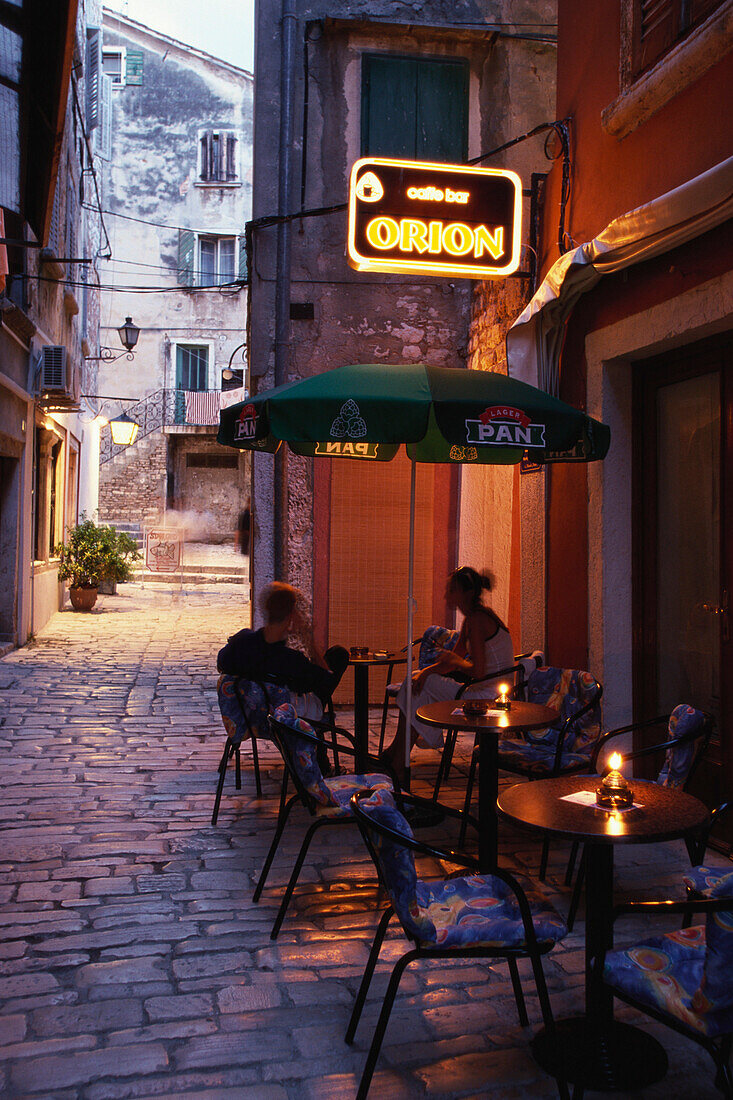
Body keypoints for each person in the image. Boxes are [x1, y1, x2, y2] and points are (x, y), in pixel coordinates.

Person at [380, 566, 514, 780]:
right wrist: (425, 672)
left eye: (451, 590)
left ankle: (396, 758)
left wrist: (454, 662)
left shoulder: (478, 620)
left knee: (417, 686)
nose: (446, 595)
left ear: (467, 593)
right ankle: (395, 755)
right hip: (480, 689)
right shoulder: (472, 619)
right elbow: (455, 658)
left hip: (489, 698)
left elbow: (477, 671)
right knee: (416, 680)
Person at [217, 581, 348, 720]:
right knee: (339, 655)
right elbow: (326, 681)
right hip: (286, 718)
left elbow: (221, 663)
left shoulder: (241, 640)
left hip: (254, 716)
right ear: (291, 615)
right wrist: (308, 639)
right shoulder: (291, 661)